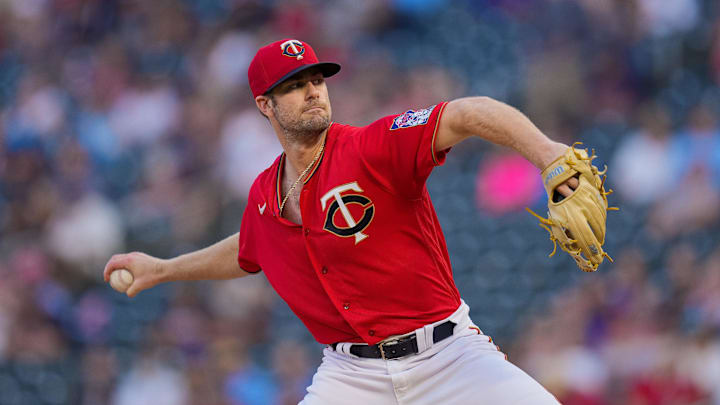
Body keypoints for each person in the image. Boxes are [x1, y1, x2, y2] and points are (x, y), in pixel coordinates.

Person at [104, 38, 579, 404]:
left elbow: (469, 112)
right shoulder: (265, 194)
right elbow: (249, 249)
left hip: (449, 355)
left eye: (317, 80)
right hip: (353, 377)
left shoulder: (371, 147)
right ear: (264, 105)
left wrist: (548, 154)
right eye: (294, 85)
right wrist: (164, 268)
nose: (312, 91)